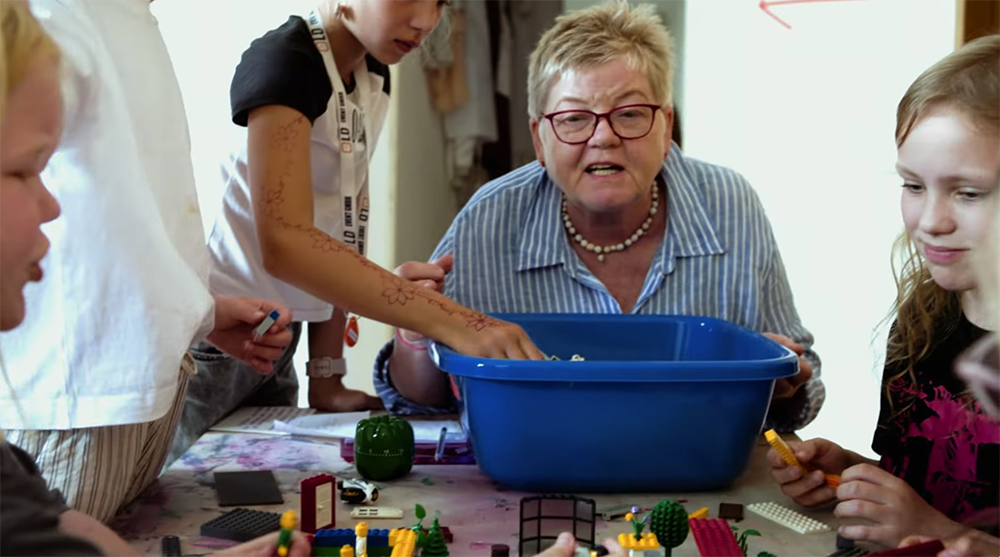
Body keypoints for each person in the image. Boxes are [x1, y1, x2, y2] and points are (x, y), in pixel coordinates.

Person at [372, 0, 824, 433]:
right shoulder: (489, 218)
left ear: (666, 127)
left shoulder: (730, 205)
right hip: (535, 464)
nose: (604, 137)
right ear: (540, 139)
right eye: (574, 118)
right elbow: (422, 401)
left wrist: (782, 378)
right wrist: (414, 333)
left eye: (630, 114)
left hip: (699, 464)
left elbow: (800, 381)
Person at [0, 3, 312, 556]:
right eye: (28, 170)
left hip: (148, 381)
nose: (50, 205)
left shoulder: (131, 20)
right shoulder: (56, 18)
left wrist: (199, 312)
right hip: (90, 398)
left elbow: (60, 525)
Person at [178, 0, 544, 461]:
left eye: (441, 3)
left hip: (277, 336)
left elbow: (337, 229)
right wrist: (454, 321)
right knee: (185, 495)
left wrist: (327, 376)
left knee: (263, 492)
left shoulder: (373, 73)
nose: (427, 22)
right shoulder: (285, 62)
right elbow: (286, 244)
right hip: (213, 339)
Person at [768, 33, 1000, 549]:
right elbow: (925, 481)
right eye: (913, 186)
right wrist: (853, 477)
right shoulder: (924, 318)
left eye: (968, 192)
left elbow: (943, 521)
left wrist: (940, 532)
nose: (931, 221)